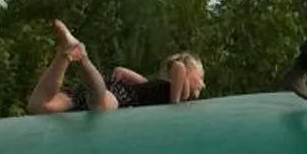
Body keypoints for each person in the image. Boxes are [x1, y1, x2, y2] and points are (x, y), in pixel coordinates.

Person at [25, 20, 205, 113]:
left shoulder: (147, 84)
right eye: (200, 78)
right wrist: (175, 104)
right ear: (189, 71)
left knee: (39, 106)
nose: (203, 85)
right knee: (101, 105)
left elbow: (119, 70)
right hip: (116, 96)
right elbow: (178, 67)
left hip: (106, 88)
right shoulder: (179, 89)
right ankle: (83, 59)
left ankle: (63, 55)